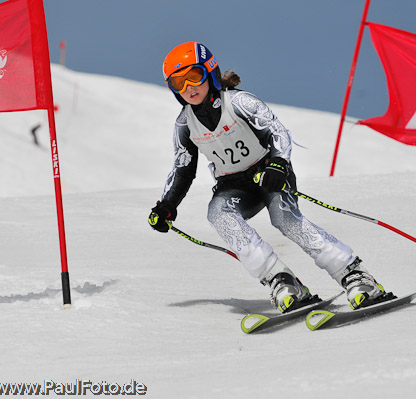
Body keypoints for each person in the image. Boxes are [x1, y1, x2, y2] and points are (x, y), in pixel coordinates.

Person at [148, 41, 391, 313]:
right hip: (234, 186)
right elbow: (183, 168)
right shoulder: (184, 125)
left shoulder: (239, 102)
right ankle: (282, 281)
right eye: (179, 83)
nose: (189, 88)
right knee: (218, 214)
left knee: (284, 219)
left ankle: (355, 275)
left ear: (210, 72)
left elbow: (277, 132)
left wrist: (278, 164)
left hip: (269, 174)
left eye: (194, 76)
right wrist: (167, 205)